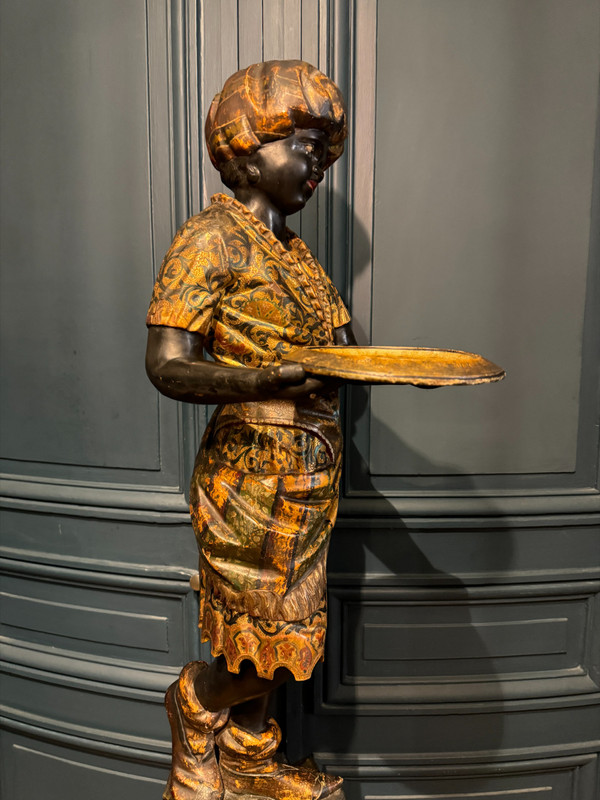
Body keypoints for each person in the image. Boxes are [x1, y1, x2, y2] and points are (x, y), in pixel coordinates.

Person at [145, 60, 354, 800]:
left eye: (324, 152)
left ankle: (248, 756)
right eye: (303, 145)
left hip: (311, 466)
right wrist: (256, 382)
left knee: (275, 633)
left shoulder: (296, 256)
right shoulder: (210, 241)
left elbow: (330, 353)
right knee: (261, 624)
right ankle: (197, 704)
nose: (317, 166)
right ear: (243, 147)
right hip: (248, 471)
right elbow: (168, 364)